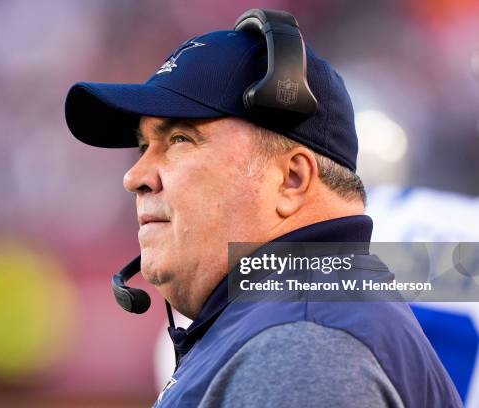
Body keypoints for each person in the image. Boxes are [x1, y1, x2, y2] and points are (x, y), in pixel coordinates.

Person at [64, 9, 462, 408]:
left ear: (291, 180)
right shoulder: (294, 320)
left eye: (180, 139)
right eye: (143, 146)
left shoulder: (301, 342)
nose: (135, 176)